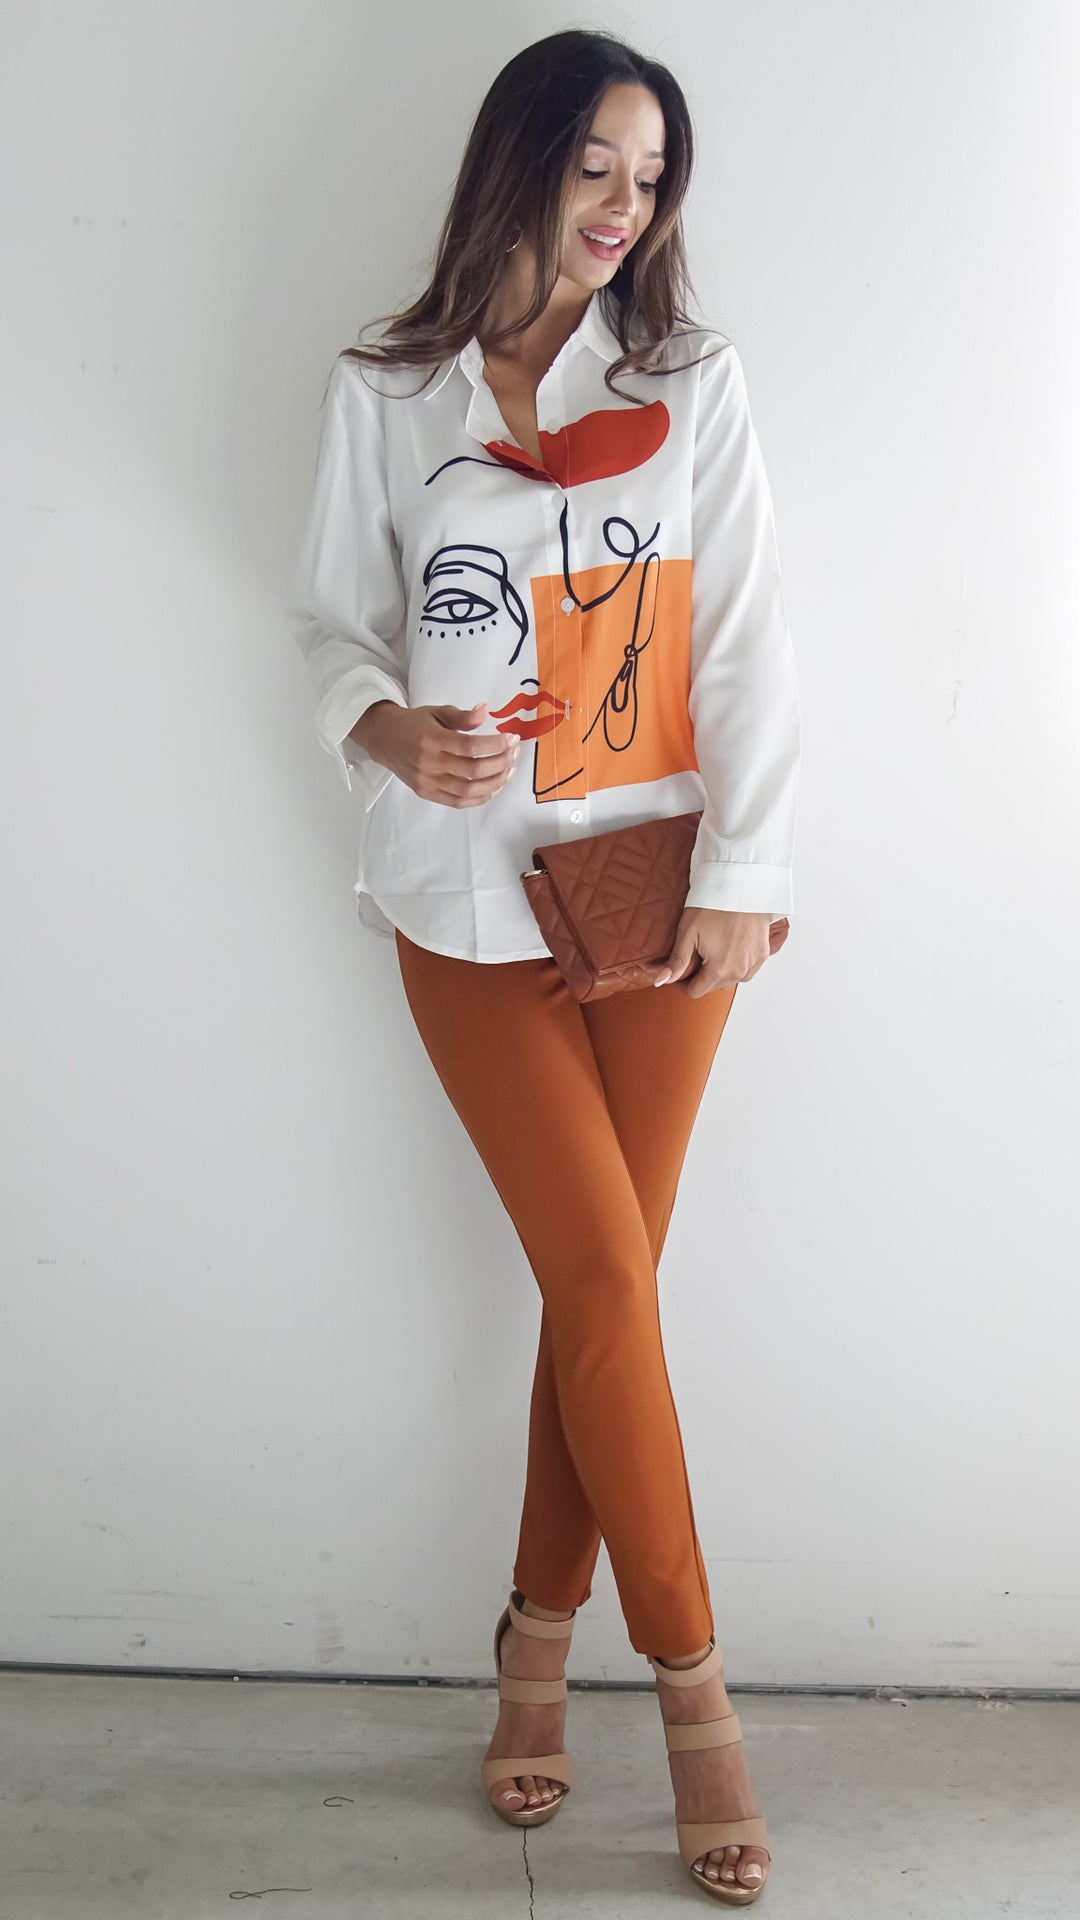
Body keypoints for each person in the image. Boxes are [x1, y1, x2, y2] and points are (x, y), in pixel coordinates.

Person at [283, 28, 800, 1907]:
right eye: (594, 166)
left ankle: (534, 1639)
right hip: (462, 901)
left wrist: (746, 873)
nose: (621, 208)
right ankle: (694, 1691)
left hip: (658, 897)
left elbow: (746, 637)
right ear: (517, 159)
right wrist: (382, 728)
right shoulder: (387, 389)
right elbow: (328, 619)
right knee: (602, 1279)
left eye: (649, 179)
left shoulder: (687, 382)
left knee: (607, 1297)